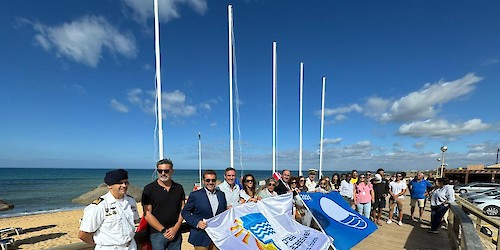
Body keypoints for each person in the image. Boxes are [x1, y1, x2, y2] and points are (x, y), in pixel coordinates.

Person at [79, 169, 140, 249]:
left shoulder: (131, 201)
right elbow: (83, 234)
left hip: (131, 246)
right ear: (109, 185)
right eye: (120, 183)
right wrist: (99, 244)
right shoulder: (100, 206)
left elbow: (134, 221)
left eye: (126, 182)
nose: (124, 185)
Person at [142, 159, 185, 250]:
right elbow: (147, 214)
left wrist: (175, 228)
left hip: (175, 232)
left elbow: (183, 209)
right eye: (160, 171)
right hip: (157, 233)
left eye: (166, 171)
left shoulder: (179, 188)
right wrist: (164, 230)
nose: (163, 173)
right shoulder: (149, 189)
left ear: (172, 171)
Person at [182, 170, 227, 249]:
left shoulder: (221, 195)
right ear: (203, 181)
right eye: (208, 180)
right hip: (201, 236)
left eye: (213, 180)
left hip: (217, 237)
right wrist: (197, 222)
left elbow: (223, 214)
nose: (210, 182)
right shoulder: (195, 195)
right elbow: (185, 212)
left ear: (216, 181)